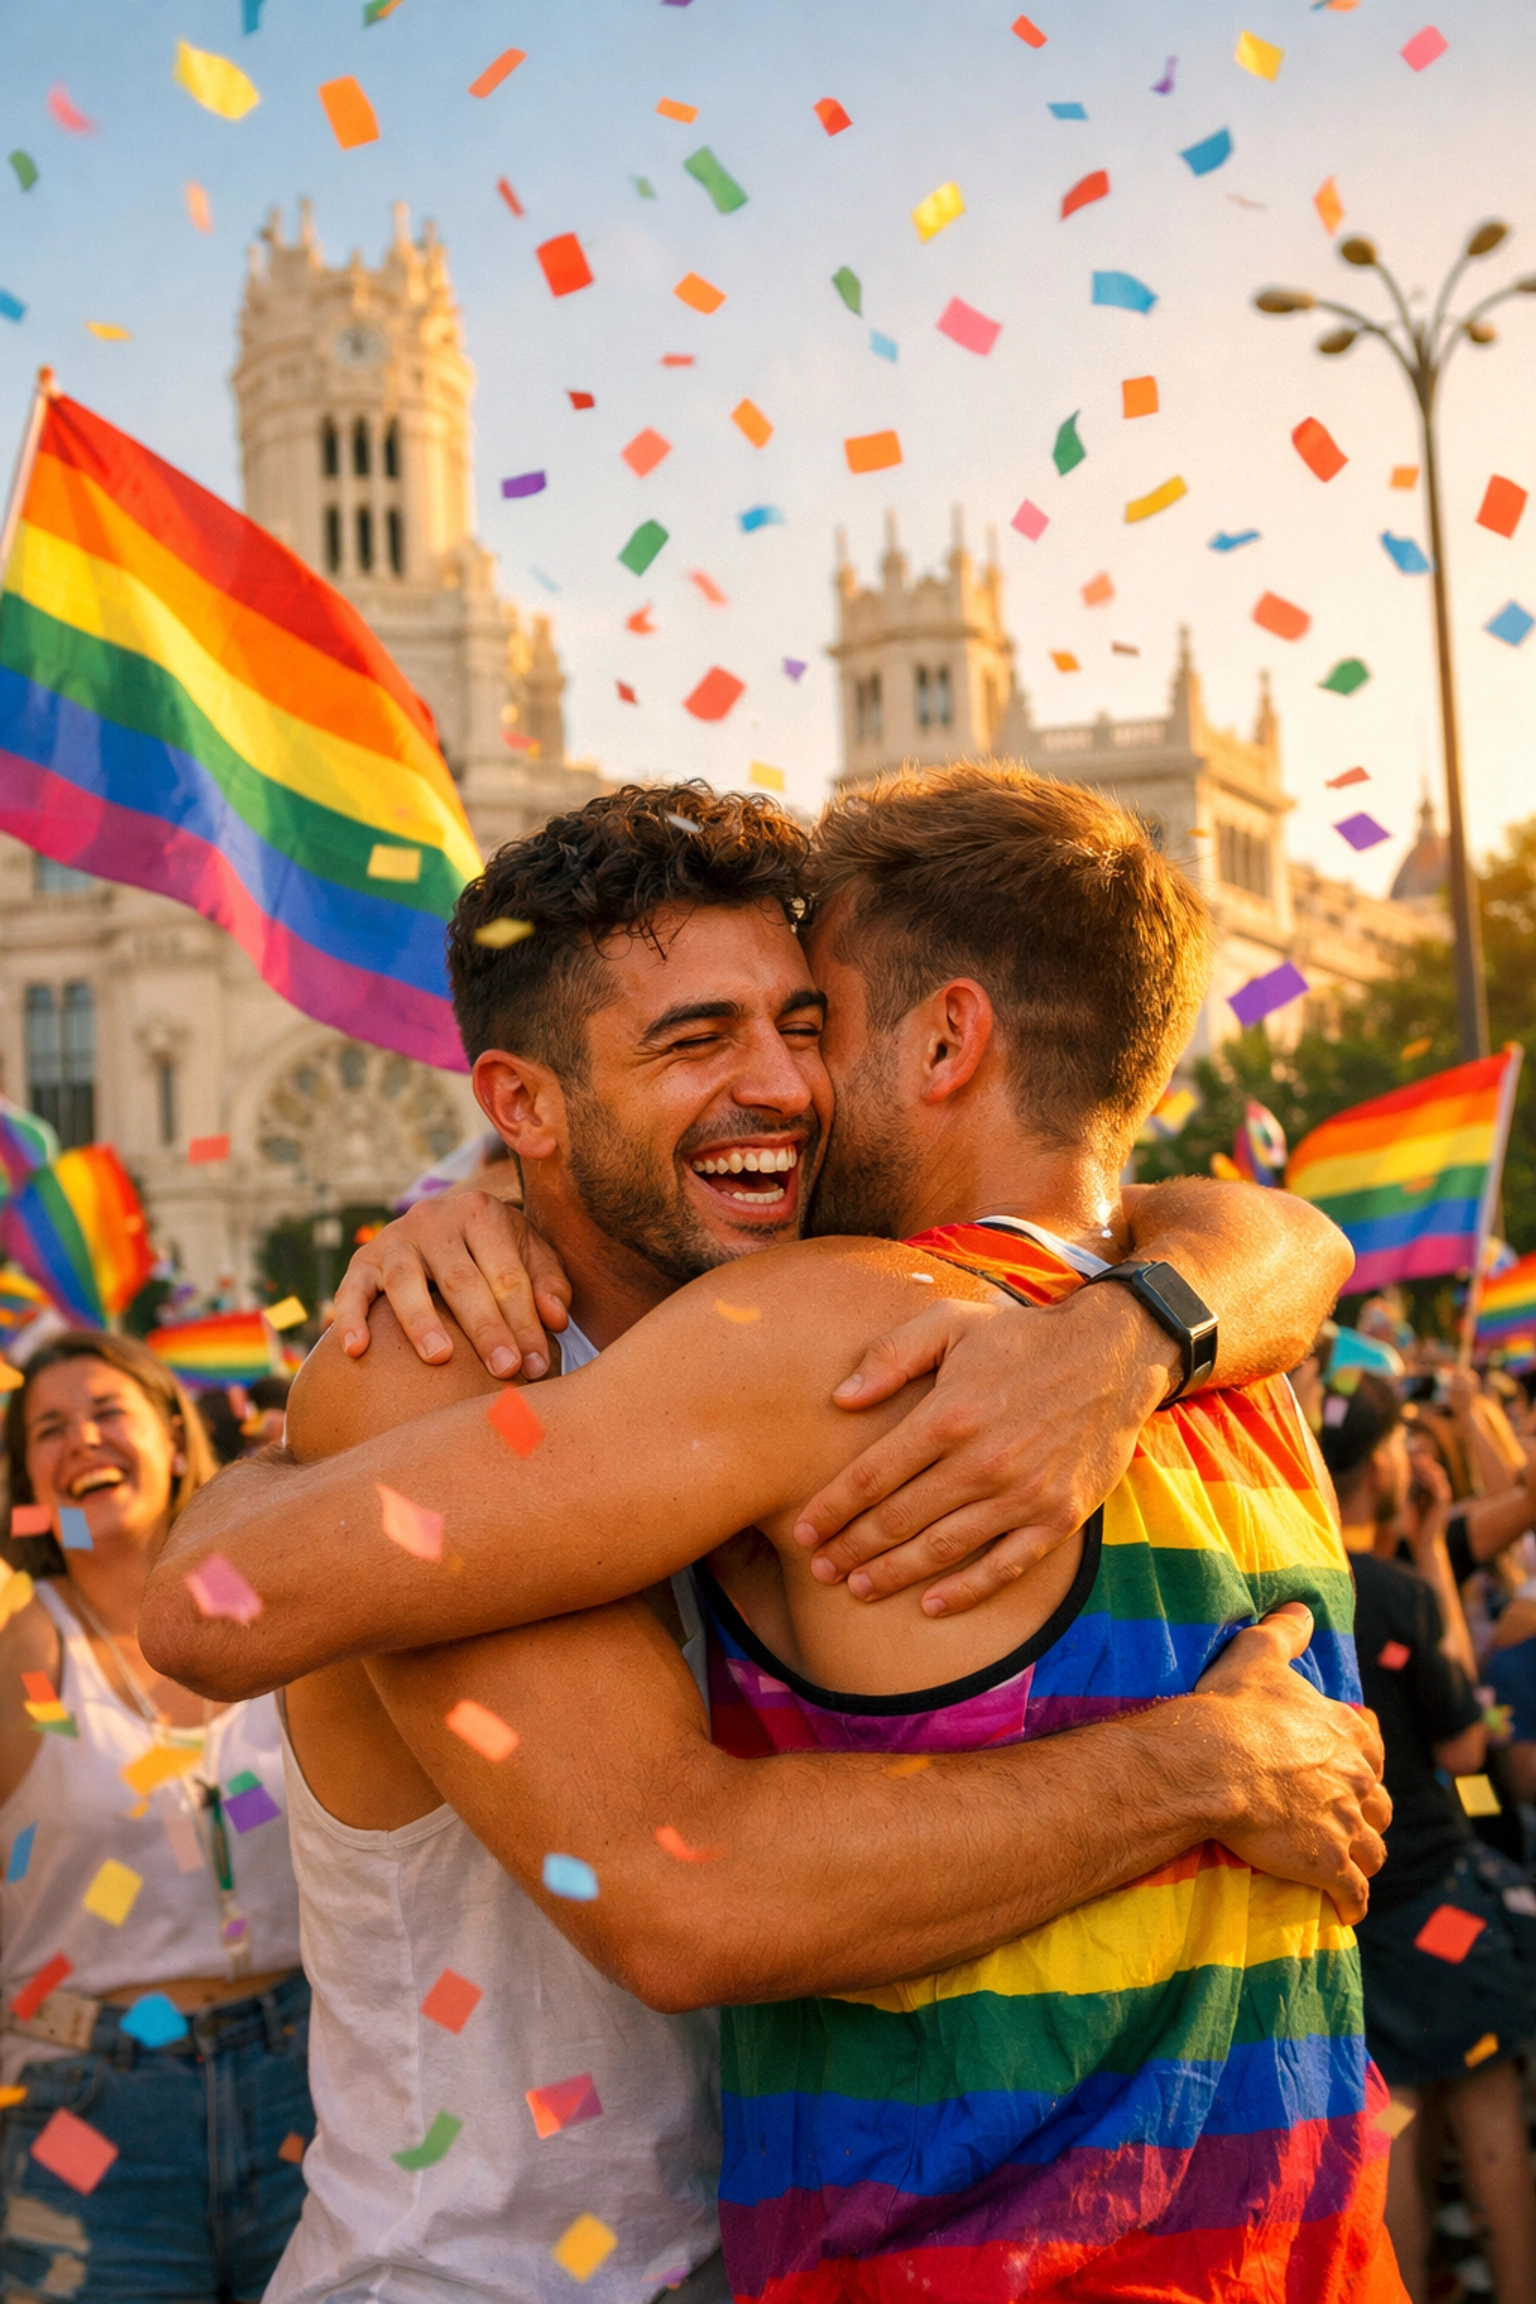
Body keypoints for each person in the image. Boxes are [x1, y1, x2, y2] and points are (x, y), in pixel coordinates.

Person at [145, 766, 1394, 2301]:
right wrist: (1199, 1768)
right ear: (521, 1104)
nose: (787, 1089)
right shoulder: (456, 1357)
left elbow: (1271, 1231)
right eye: (697, 1040)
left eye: (807, 1025)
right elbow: (674, 1896)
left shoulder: (1051, 1326)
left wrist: (1141, 1328)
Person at [0, 1332, 312, 2304]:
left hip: (307, 2080)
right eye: (49, 1430)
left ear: (175, 1439)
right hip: (91, 2105)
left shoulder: (270, 1603)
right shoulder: (25, 1647)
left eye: (106, 1414)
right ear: (29, 1482)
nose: (82, 1440)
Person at [1323, 1371, 1536, 2304]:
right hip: (1437, 1907)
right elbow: (1464, 1748)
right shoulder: (1399, 1594)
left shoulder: (1278, 1590)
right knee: (1489, 2096)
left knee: (1394, 2126)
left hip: (1354, 1921)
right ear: (1381, 1471)